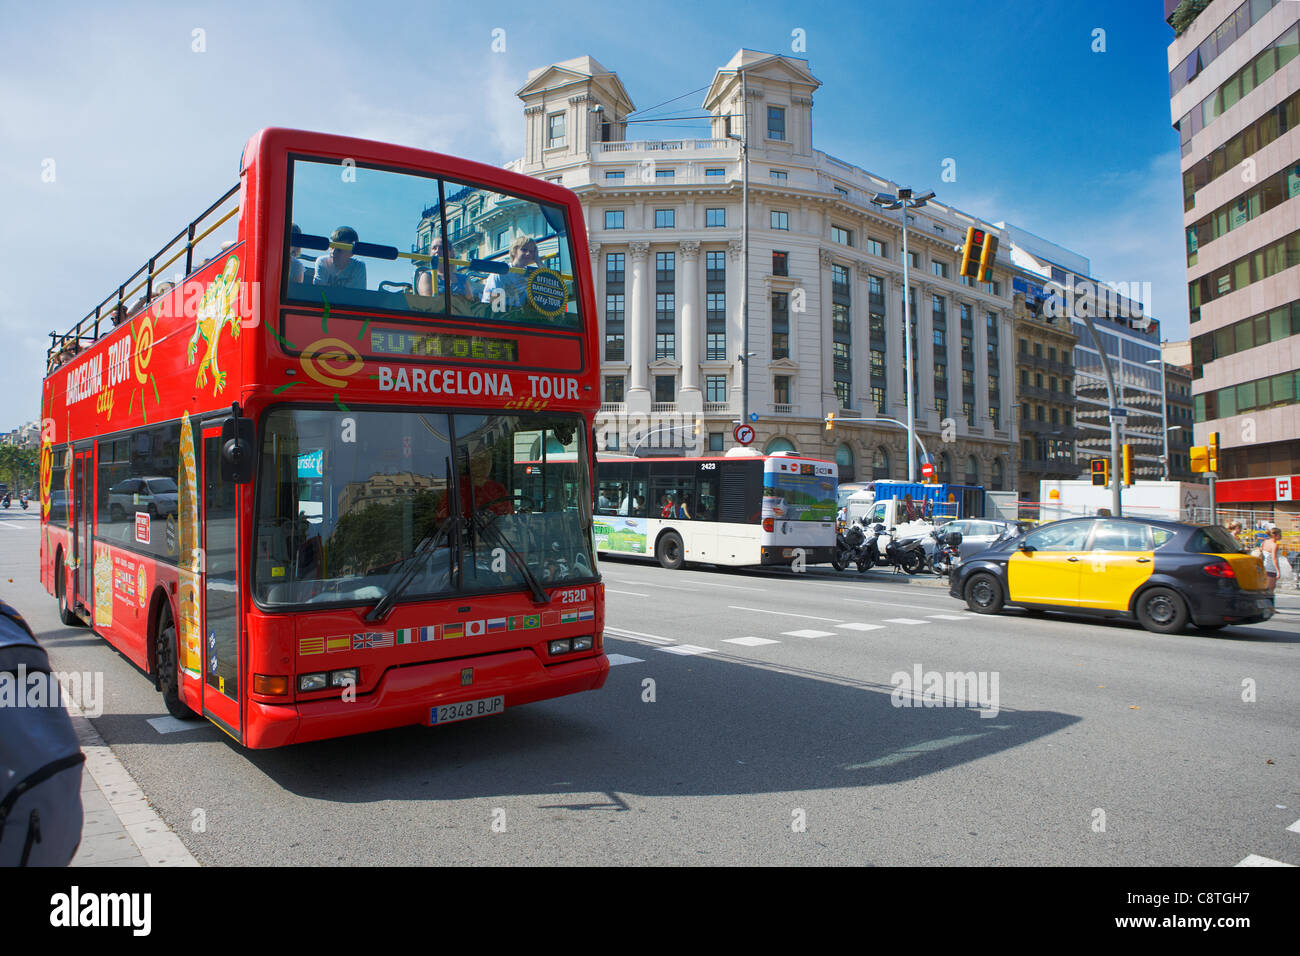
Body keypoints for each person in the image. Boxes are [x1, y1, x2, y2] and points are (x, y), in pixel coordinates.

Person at [481, 236, 540, 311]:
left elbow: (548, 284)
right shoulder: (500, 273)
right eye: (524, 250)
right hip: (501, 316)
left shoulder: (531, 275)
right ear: (514, 251)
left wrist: (538, 260)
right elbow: (493, 305)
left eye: (531, 251)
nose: (528, 253)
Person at [1261, 527, 1282, 594]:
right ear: (1274, 535)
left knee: (1265, 589)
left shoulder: (1265, 542)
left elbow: (1261, 553)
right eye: (1280, 534)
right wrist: (1278, 571)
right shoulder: (1274, 545)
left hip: (1265, 567)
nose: (1281, 536)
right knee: (1270, 590)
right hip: (1271, 569)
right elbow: (1274, 558)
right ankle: (1268, 603)